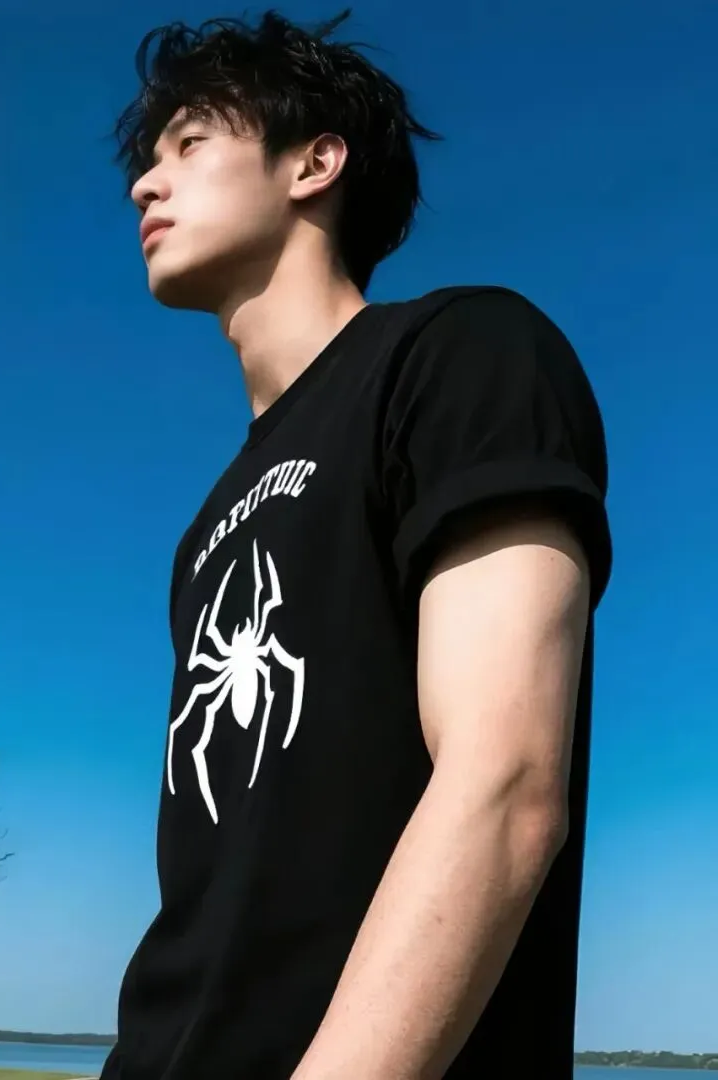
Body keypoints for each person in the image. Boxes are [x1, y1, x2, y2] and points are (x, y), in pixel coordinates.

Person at [100, 9, 613, 1080]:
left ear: (315, 163)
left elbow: (505, 783)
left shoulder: (461, 354)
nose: (146, 183)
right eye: (147, 160)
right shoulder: (204, 530)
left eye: (189, 143)